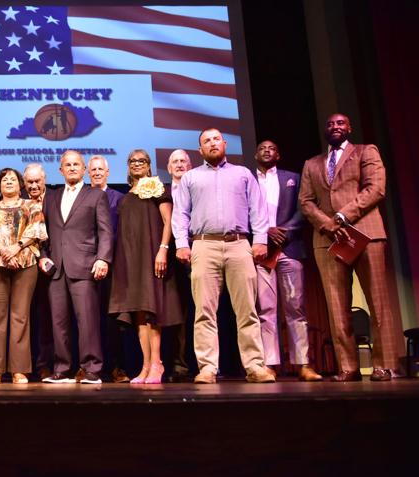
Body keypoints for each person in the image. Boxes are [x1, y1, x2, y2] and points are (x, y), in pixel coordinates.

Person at [299, 113, 404, 381]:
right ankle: (348, 367)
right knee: (337, 307)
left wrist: (343, 216)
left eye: (340, 123)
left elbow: (376, 189)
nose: (335, 127)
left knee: (377, 302)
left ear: (349, 128)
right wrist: (329, 224)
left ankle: (383, 365)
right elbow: (306, 202)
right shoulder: (312, 164)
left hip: (365, 233)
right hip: (327, 240)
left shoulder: (365, 151)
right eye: (330, 124)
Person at [171, 128, 275, 384]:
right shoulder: (190, 177)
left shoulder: (242, 174)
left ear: (225, 144)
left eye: (216, 139)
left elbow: (257, 209)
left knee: (247, 310)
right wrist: (182, 244)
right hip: (204, 246)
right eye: (207, 141)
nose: (212, 143)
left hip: (239, 244)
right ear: (200, 150)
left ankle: (254, 366)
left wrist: (260, 240)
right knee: (204, 311)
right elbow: (181, 214)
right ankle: (207, 368)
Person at [109, 150, 182, 384]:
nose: (137, 164)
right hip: (131, 261)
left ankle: (157, 364)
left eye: (141, 161)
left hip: (152, 256)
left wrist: (163, 249)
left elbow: (168, 221)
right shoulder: (126, 195)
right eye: (132, 161)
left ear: (149, 165)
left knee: (153, 311)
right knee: (139, 313)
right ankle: (145, 365)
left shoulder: (157, 188)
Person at [39, 150, 113, 384]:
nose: (71, 168)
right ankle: (62, 368)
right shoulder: (51, 197)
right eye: (67, 165)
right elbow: (43, 234)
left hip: (85, 265)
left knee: (87, 321)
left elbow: (105, 231)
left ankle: (92, 368)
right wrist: (42, 256)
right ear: (60, 170)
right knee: (58, 322)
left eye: (76, 164)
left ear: (84, 169)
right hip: (56, 268)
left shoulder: (95, 195)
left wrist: (103, 258)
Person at [254, 140, 322, 381]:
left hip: (290, 249)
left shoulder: (292, 177)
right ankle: (270, 364)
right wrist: (265, 232)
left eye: (272, 148)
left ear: (278, 154)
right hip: (261, 252)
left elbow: (303, 208)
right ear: (255, 154)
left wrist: (284, 230)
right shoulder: (248, 180)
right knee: (266, 310)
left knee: (296, 308)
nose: (267, 151)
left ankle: (303, 364)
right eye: (262, 148)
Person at [0, 168, 48, 384]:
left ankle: (19, 369)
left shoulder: (32, 206)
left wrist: (15, 249)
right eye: (4, 180)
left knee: (20, 316)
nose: (8, 182)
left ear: (21, 185)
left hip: (25, 264)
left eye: (13, 179)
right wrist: (5, 252)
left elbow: (37, 231)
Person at [87, 155, 129, 383]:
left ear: (108, 172)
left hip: (112, 268)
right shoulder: (80, 197)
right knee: (87, 320)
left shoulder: (119, 199)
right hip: (84, 266)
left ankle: (117, 367)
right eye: (92, 170)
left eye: (100, 169)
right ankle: (88, 367)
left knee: (114, 321)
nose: (96, 173)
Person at [164, 149, 194, 382]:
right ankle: (179, 365)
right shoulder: (161, 193)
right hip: (170, 258)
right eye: (175, 161)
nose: (180, 164)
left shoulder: (199, 187)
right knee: (178, 313)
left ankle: (208, 364)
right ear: (168, 167)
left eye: (183, 160)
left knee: (203, 311)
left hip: (199, 252)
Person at [23, 163, 54, 380]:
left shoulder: (56, 198)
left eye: (37, 181)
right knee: (25, 318)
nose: (34, 185)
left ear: (44, 180)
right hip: (22, 266)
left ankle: (46, 365)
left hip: (50, 267)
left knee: (48, 318)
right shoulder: (18, 202)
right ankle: (23, 365)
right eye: (30, 182)